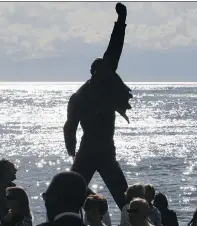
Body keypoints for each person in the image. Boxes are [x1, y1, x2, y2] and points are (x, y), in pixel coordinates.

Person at [64, 2, 132, 211]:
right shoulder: (80, 96)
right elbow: (70, 125)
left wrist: (121, 22)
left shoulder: (97, 88)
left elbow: (114, 48)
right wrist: (72, 148)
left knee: (124, 199)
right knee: (72, 195)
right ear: (96, 73)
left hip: (103, 151)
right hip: (90, 150)